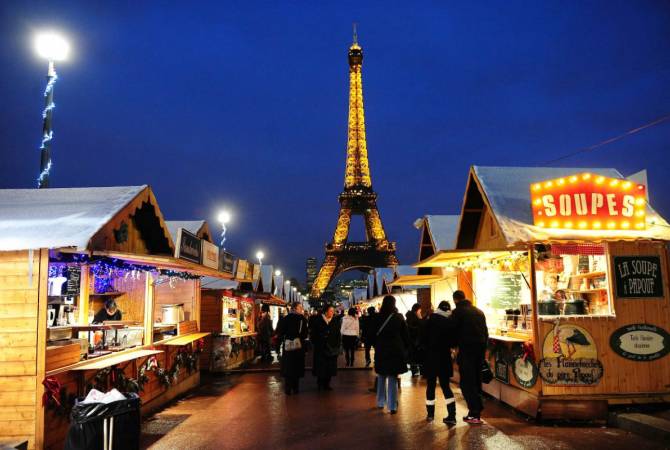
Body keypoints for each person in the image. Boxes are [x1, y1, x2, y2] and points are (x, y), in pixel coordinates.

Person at [449, 290, 488, 424]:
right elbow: (485, 332)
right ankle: (475, 411)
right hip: (479, 351)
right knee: (477, 380)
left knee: (466, 382)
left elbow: (452, 332)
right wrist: (484, 351)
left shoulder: (457, 312)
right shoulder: (479, 311)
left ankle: (475, 412)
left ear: (455, 300)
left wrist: (453, 347)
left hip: (466, 351)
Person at [421, 301, 456, 425]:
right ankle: (452, 415)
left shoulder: (429, 320)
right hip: (444, 358)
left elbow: (423, 339)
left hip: (430, 358)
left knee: (430, 386)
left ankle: (430, 414)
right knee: (446, 386)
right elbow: (453, 341)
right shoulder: (449, 322)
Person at [373, 295, 409, 414]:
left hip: (381, 350)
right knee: (393, 377)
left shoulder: (377, 317)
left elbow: (372, 334)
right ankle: (392, 406)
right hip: (395, 350)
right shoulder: (398, 317)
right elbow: (405, 335)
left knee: (382, 375)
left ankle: (380, 402)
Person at [276, 302, 309, 395]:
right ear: (295, 308)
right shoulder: (302, 319)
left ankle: (287, 388)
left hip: (288, 346)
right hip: (298, 346)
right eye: (300, 307)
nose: (301, 309)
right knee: (297, 367)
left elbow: (280, 332)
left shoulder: (285, 319)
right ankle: (296, 388)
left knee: (288, 367)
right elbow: (305, 334)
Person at [310, 305, 341, 391]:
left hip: (331, 348)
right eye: (331, 311)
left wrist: (337, 345)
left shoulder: (335, 321)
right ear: (326, 311)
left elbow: (338, 334)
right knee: (321, 367)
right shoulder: (318, 321)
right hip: (321, 348)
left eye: (333, 311)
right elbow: (313, 335)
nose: (332, 313)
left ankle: (327, 384)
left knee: (330, 367)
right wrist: (318, 342)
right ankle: (320, 383)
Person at [405, 303, 424, 376]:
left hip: (411, 342)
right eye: (420, 310)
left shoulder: (409, 317)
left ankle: (414, 371)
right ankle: (420, 372)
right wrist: (421, 319)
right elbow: (418, 328)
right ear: (417, 310)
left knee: (413, 357)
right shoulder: (415, 318)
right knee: (418, 356)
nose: (420, 312)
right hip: (416, 341)